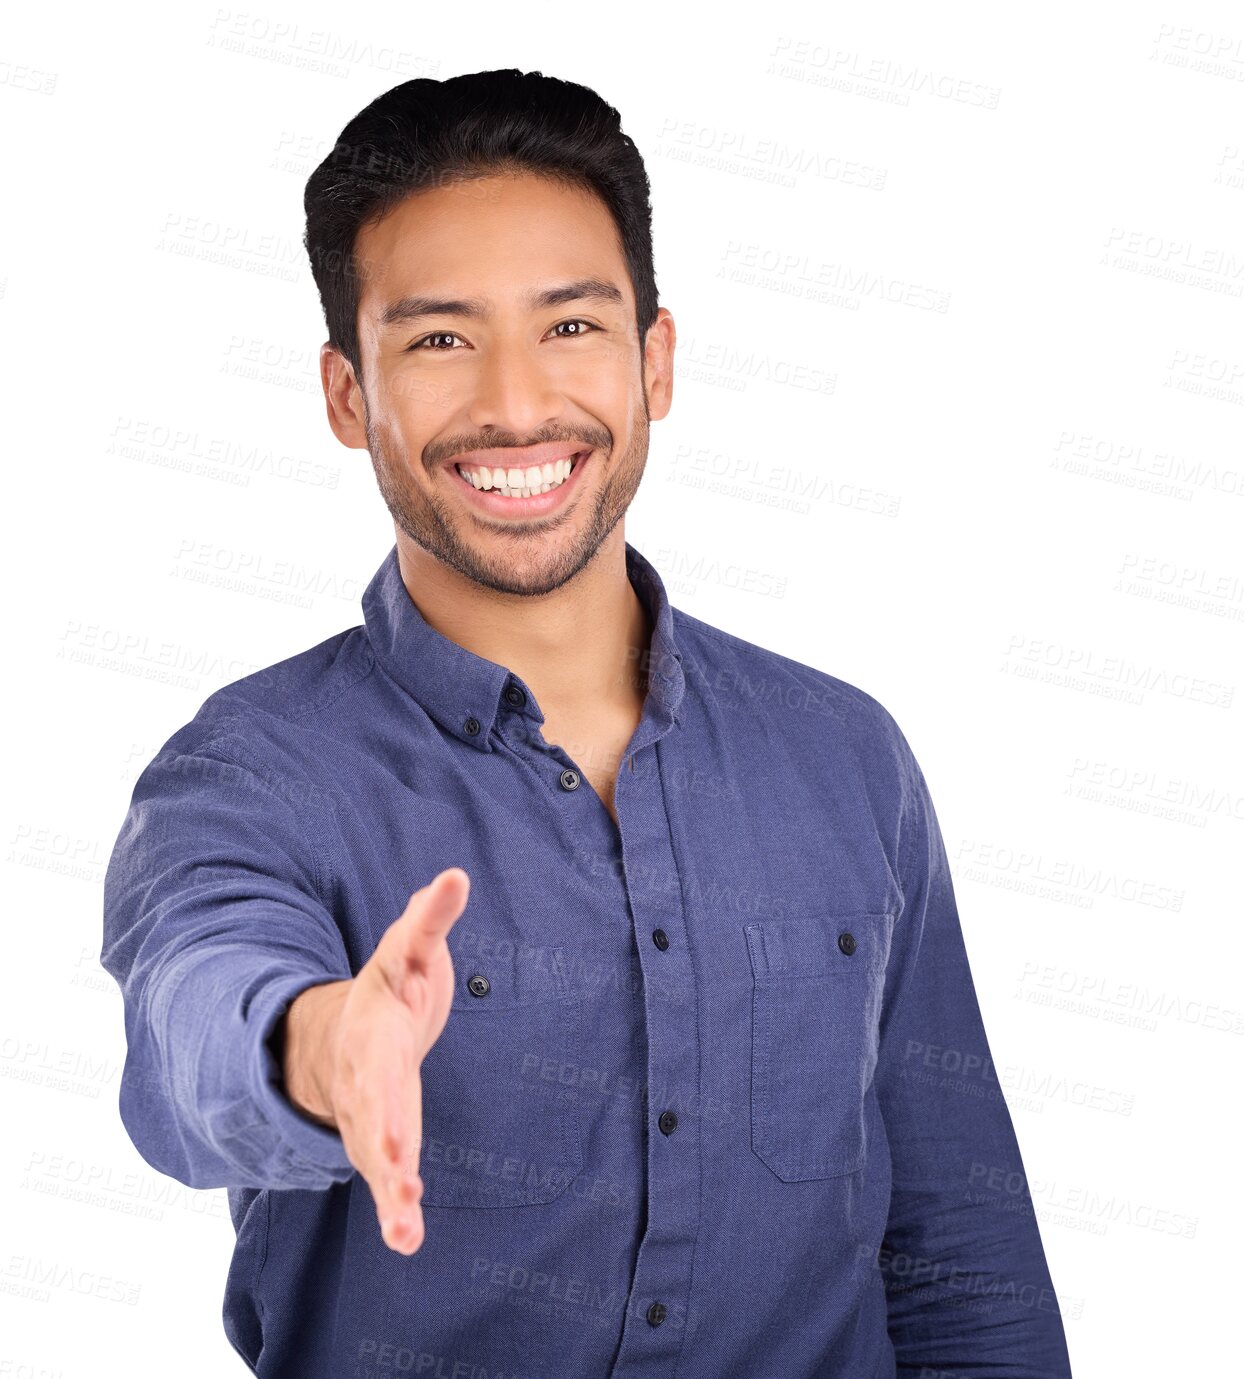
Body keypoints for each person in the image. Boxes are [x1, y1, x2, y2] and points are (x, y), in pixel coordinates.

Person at [101, 67, 1072, 1379]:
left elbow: (955, 1249)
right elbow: (190, 1024)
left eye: (568, 326)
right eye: (438, 338)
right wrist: (324, 1048)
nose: (513, 403)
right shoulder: (249, 772)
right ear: (346, 395)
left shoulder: (846, 761)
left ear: (653, 361)